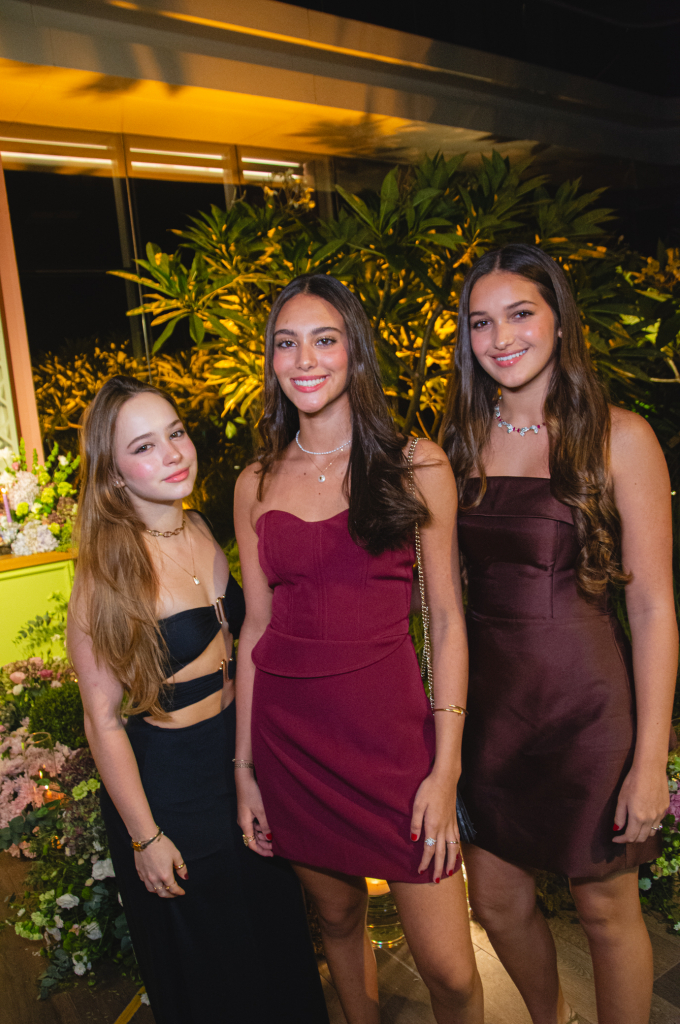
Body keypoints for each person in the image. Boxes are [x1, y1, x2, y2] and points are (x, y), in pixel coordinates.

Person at [233, 273, 484, 1024]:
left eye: (324, 339)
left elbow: (446, 619)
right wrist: (244, 770)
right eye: (286, 343)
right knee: (338, 922)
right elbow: (254, 627)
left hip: (394, 746)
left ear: (355, 352)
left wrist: (446, 766)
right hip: (290, 743)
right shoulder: (254, 482)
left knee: (450, 973)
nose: (304, 359)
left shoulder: (415, 464)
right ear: (272, 361)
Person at [440, 243, 677, 1024]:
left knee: (605, 909)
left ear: (558, 321)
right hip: (489, 713)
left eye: (519, 313)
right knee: (496, 903)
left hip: (586, 710)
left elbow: (652, 608)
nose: (500, 337)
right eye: (481, 322)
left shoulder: (620, 437)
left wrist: (650, 761)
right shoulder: (456, 442)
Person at [68, 375, 328, 1024]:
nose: (173, 453)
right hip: (170, 787)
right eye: (144, 447)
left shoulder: (203, 528)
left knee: (277, 942)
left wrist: (252, 767)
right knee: (215, 971)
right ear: (113, 473)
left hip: (236, 762)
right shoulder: (105, 572)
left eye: (176, 433)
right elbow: (102, 720)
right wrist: (145, 837)